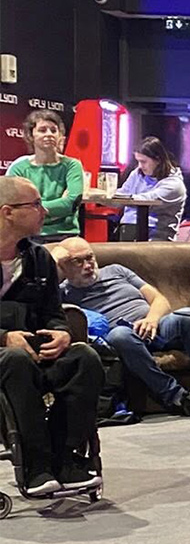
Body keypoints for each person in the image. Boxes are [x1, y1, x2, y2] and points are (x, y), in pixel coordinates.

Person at [0, 176, 103, 492]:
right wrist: (4, 337)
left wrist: (62, 333)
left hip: (35, 350)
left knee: (85, 358)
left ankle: (65, 459)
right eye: (35, 204)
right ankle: (37, 467)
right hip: (8, 355)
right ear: (7, 212)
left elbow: (54, 313)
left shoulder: (39, 257)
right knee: (15, 359)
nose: (45, 211)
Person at [53, 238, 190, 418]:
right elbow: (41, 297)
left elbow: (159, 299)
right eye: (77, 261)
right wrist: (55, 261)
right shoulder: (63, 292)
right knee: (120, 335)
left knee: (188, 318)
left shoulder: (116, 270)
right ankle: (179, 398)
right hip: (125, 337)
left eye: (89, 258)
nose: (88, 266)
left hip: (156, 325)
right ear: (64, 266)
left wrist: (152, 319)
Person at [5, 110, 85, 241]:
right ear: (31, 136)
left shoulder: (72, 165)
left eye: (53, 130)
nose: (49, 134)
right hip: (28, 236)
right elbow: (14, 209)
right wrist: (58, 206)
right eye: (42, 130)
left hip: (65, 235)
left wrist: (32, 208)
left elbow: (71, 204)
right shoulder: (19, 168)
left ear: (60, 135)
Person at [113, 137, 187, 242]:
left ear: (158, 160)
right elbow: (122, 194)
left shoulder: (174, 185)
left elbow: (147, 200)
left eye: (143, 162)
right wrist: (104, 196)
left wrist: (120, 198)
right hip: (127, 228)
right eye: (138, 161)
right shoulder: (137, 173)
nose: (140, 166)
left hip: (155, 236)